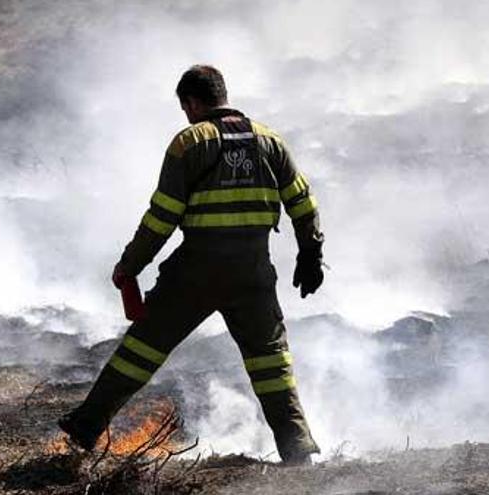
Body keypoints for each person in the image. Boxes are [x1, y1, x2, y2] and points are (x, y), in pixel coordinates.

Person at [58, 65, 325, 465]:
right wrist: (311, 253)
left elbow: (161, 217)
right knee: (271, 360)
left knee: (142, 349)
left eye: (185, 108)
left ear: (192, 103)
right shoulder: (270, 141)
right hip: (253, 272)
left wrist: (130, 266)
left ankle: (86, 425)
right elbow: (302, 202)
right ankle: (297, 446)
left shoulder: (190, 142)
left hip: (196, 272)